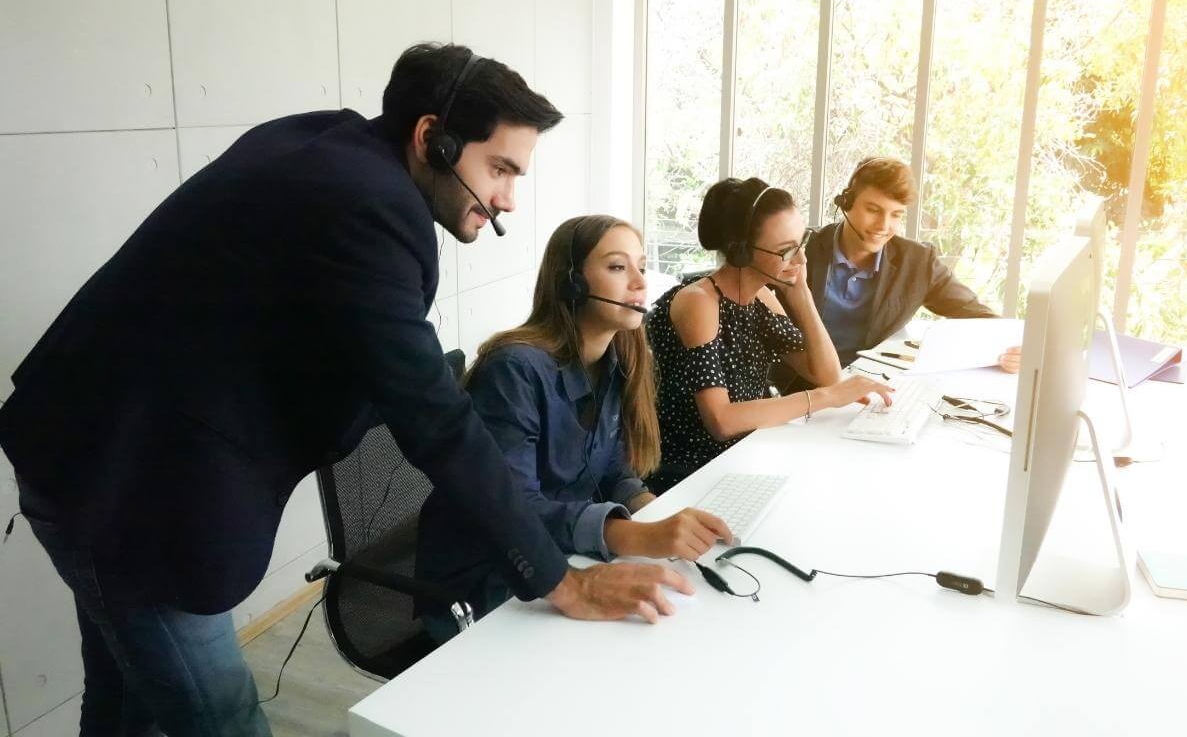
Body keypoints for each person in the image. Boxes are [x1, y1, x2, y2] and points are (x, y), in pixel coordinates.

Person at [0, 43, 689, 736]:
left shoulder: (329, 147)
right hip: (127, 488)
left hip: (88, 447)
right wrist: (561, 580)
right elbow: (434, 420)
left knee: (125, 701)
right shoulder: (369, 208)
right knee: (221, 717)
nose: (508, 197)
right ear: (433, 139)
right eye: (500, 169)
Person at [417, 215, 732, 642]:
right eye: (618, 267)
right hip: (489, 585)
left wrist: (657, 517)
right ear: (572, 282)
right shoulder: (514, 370)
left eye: (641, 266)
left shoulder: (619, 360)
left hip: (564, 562)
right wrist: (633, 534)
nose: (640, 282)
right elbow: (513, 508)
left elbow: (615, 473)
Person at [645, 178, 894, 493]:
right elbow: (721, 421)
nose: (801, 259)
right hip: (694, 473)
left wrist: (800, 293)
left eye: (801, 243)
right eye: (786, 251)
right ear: (740, 253)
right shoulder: (699, 302)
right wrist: (824, 398)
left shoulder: (761, 296)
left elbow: (827, 375)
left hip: (747, 457)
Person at [805, 157, 1020, 374]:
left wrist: (1012, 352)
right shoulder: (804, 248)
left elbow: (982, 319)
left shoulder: (918, 262)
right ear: (847, 202)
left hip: (873, 386)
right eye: (873, 210)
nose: (884, 225)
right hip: (801, 385)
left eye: (896, 214)